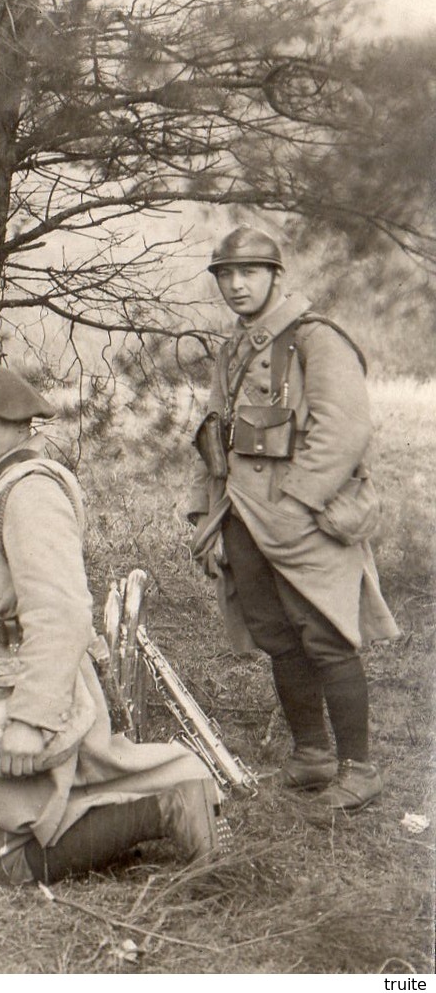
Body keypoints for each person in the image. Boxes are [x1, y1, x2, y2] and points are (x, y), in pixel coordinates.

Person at [0, 364, 223, 884]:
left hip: (23, 680)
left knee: (9, 865)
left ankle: (168, 800)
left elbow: (60, 611)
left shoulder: (30, 492)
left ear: (25, 426)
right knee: (55, 804)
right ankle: (145, 800)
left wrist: (31, 718)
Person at [187, 226, 397, 811]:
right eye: (226, 275)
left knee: (326, 636)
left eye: (248, 272)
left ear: (277, 276)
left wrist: (299, 504)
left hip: (307, 518)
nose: (235, 284)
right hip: (243, 517)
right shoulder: (233, 350)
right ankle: (312, 755)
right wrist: (205, 513)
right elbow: (212, 436)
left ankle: (359, 768)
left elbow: (344, 429)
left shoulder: (315, 339)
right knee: (278, 639)